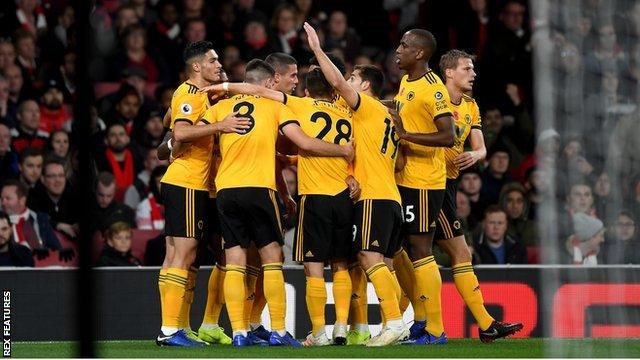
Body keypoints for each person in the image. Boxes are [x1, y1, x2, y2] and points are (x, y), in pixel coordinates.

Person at [200, 59, 353, 347]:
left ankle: (239, 333)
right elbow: (302, 142)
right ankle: (279, 331)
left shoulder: (220, 108)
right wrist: (342, 150)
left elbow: (194, 132)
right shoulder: (276, 106)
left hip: (225, 189)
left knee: (234, 262)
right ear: (270, 83)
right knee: (273, 260)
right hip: (260, 188)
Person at [304, 22, 409, 346]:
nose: (346, 84)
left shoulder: (367, 108)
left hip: (374, 196)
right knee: (384, 264)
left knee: (366, 258)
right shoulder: (387, 117)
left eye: (352, 80)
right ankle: (394, 323)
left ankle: (394, 322)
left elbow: (334, 79)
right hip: (392, 196)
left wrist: (318, 50)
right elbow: (402, 162)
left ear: (364, 85)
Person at [155, 41, 249, 348]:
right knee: (182, 254)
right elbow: (179, 131)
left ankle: (179, 327)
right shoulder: (190, 93)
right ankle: (170, 330)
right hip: (186, 182)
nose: (219, 64)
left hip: (192, 183)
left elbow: (169, 121)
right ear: (197, 66)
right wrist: (220, 125)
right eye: (213, 60)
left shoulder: (199, 96)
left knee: (180, 256)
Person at [430, 49, 522, 342]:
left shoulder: (470, 106)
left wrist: (475, 153)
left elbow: (481, 148)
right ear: (450, 73)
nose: (473, 74)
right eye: (467, 69)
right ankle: (422, 323)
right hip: (424, 183)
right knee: (421, 254)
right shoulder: (431, 98)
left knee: (445, 254)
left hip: (447, 185)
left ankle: (481, 324)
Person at [390, 28, 455, 345]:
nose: (398, 49)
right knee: (399, 248)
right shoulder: (406, 82)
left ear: (419, 53)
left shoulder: (434, 89)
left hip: (425, 182)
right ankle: (419, 317)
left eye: (404, 45)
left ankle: (435, 329)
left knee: (421, 250)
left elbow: (448, 136)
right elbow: (405, 111)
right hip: (403, 178)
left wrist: (406, 136)